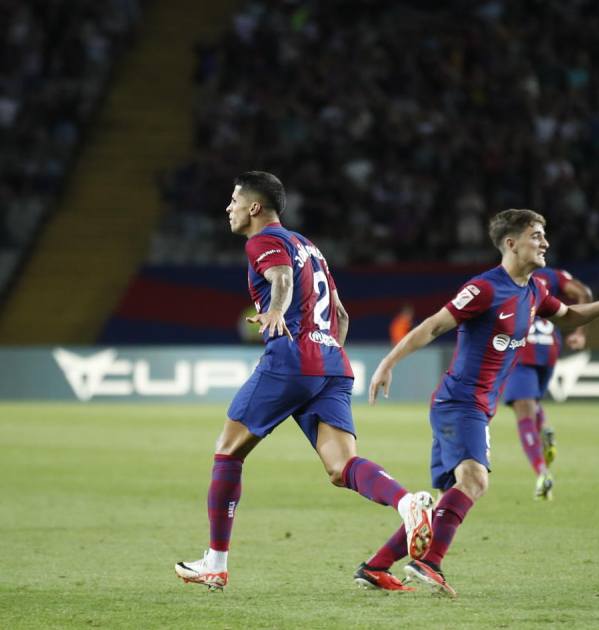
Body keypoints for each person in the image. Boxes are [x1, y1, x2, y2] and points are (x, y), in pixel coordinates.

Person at [175, 171, 434, 591]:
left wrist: (277, 311)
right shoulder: (308, 246)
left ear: (254, 207)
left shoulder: (262, 241)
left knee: (227, 452)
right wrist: (323, 355)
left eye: (234, 200)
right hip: (331, 364)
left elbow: (280, 279)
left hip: (290, 360)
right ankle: (407, 503)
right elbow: (343, 315)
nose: (229, 207)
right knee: (340, 467)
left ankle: (215, 564)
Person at [367, 209, 599, 596]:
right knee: (475, 480)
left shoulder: (534, 291)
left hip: (473, 406)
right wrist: (387, 363)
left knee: (450, 497)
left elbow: (569, 316)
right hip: (460, 403)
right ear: (511, 243)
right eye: (536, 235)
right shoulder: (485, 288)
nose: (545, 243)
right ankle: (429, 563)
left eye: (545, 236)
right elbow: (432, 325)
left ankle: (376, 567)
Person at [502, 266, 592, 500]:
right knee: (531, 402)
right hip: (550, 346)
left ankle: (542, 472)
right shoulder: (554, 275)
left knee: (523, 412)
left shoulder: (504, 274)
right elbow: (585, 293)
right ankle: (542, 428)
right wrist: (580, 333)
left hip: (521, 345)